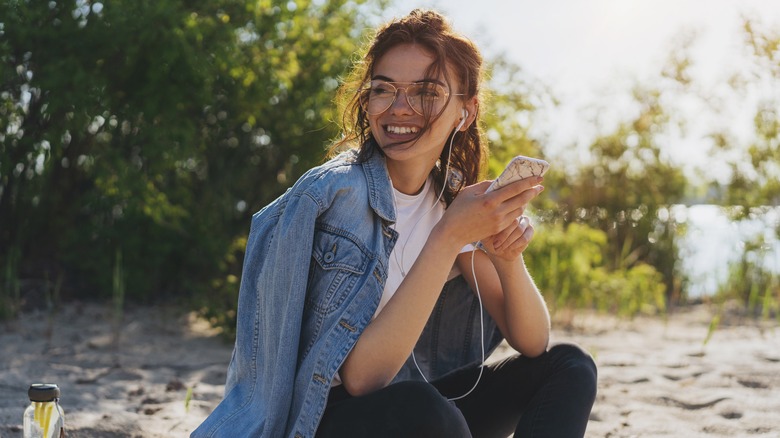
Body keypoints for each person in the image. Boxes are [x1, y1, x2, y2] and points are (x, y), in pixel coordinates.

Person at [192, 8, 597, 438]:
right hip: (316, 420)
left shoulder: (446, 199)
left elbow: (532, 341)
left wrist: (507, 257)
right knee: (425, 410)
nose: (399, 108)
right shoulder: (338, 197)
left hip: (404, 408)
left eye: (425, 91)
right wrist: (449, 237)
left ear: (466, 111)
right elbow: (363, 379)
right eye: (383, 90)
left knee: (569, 367)